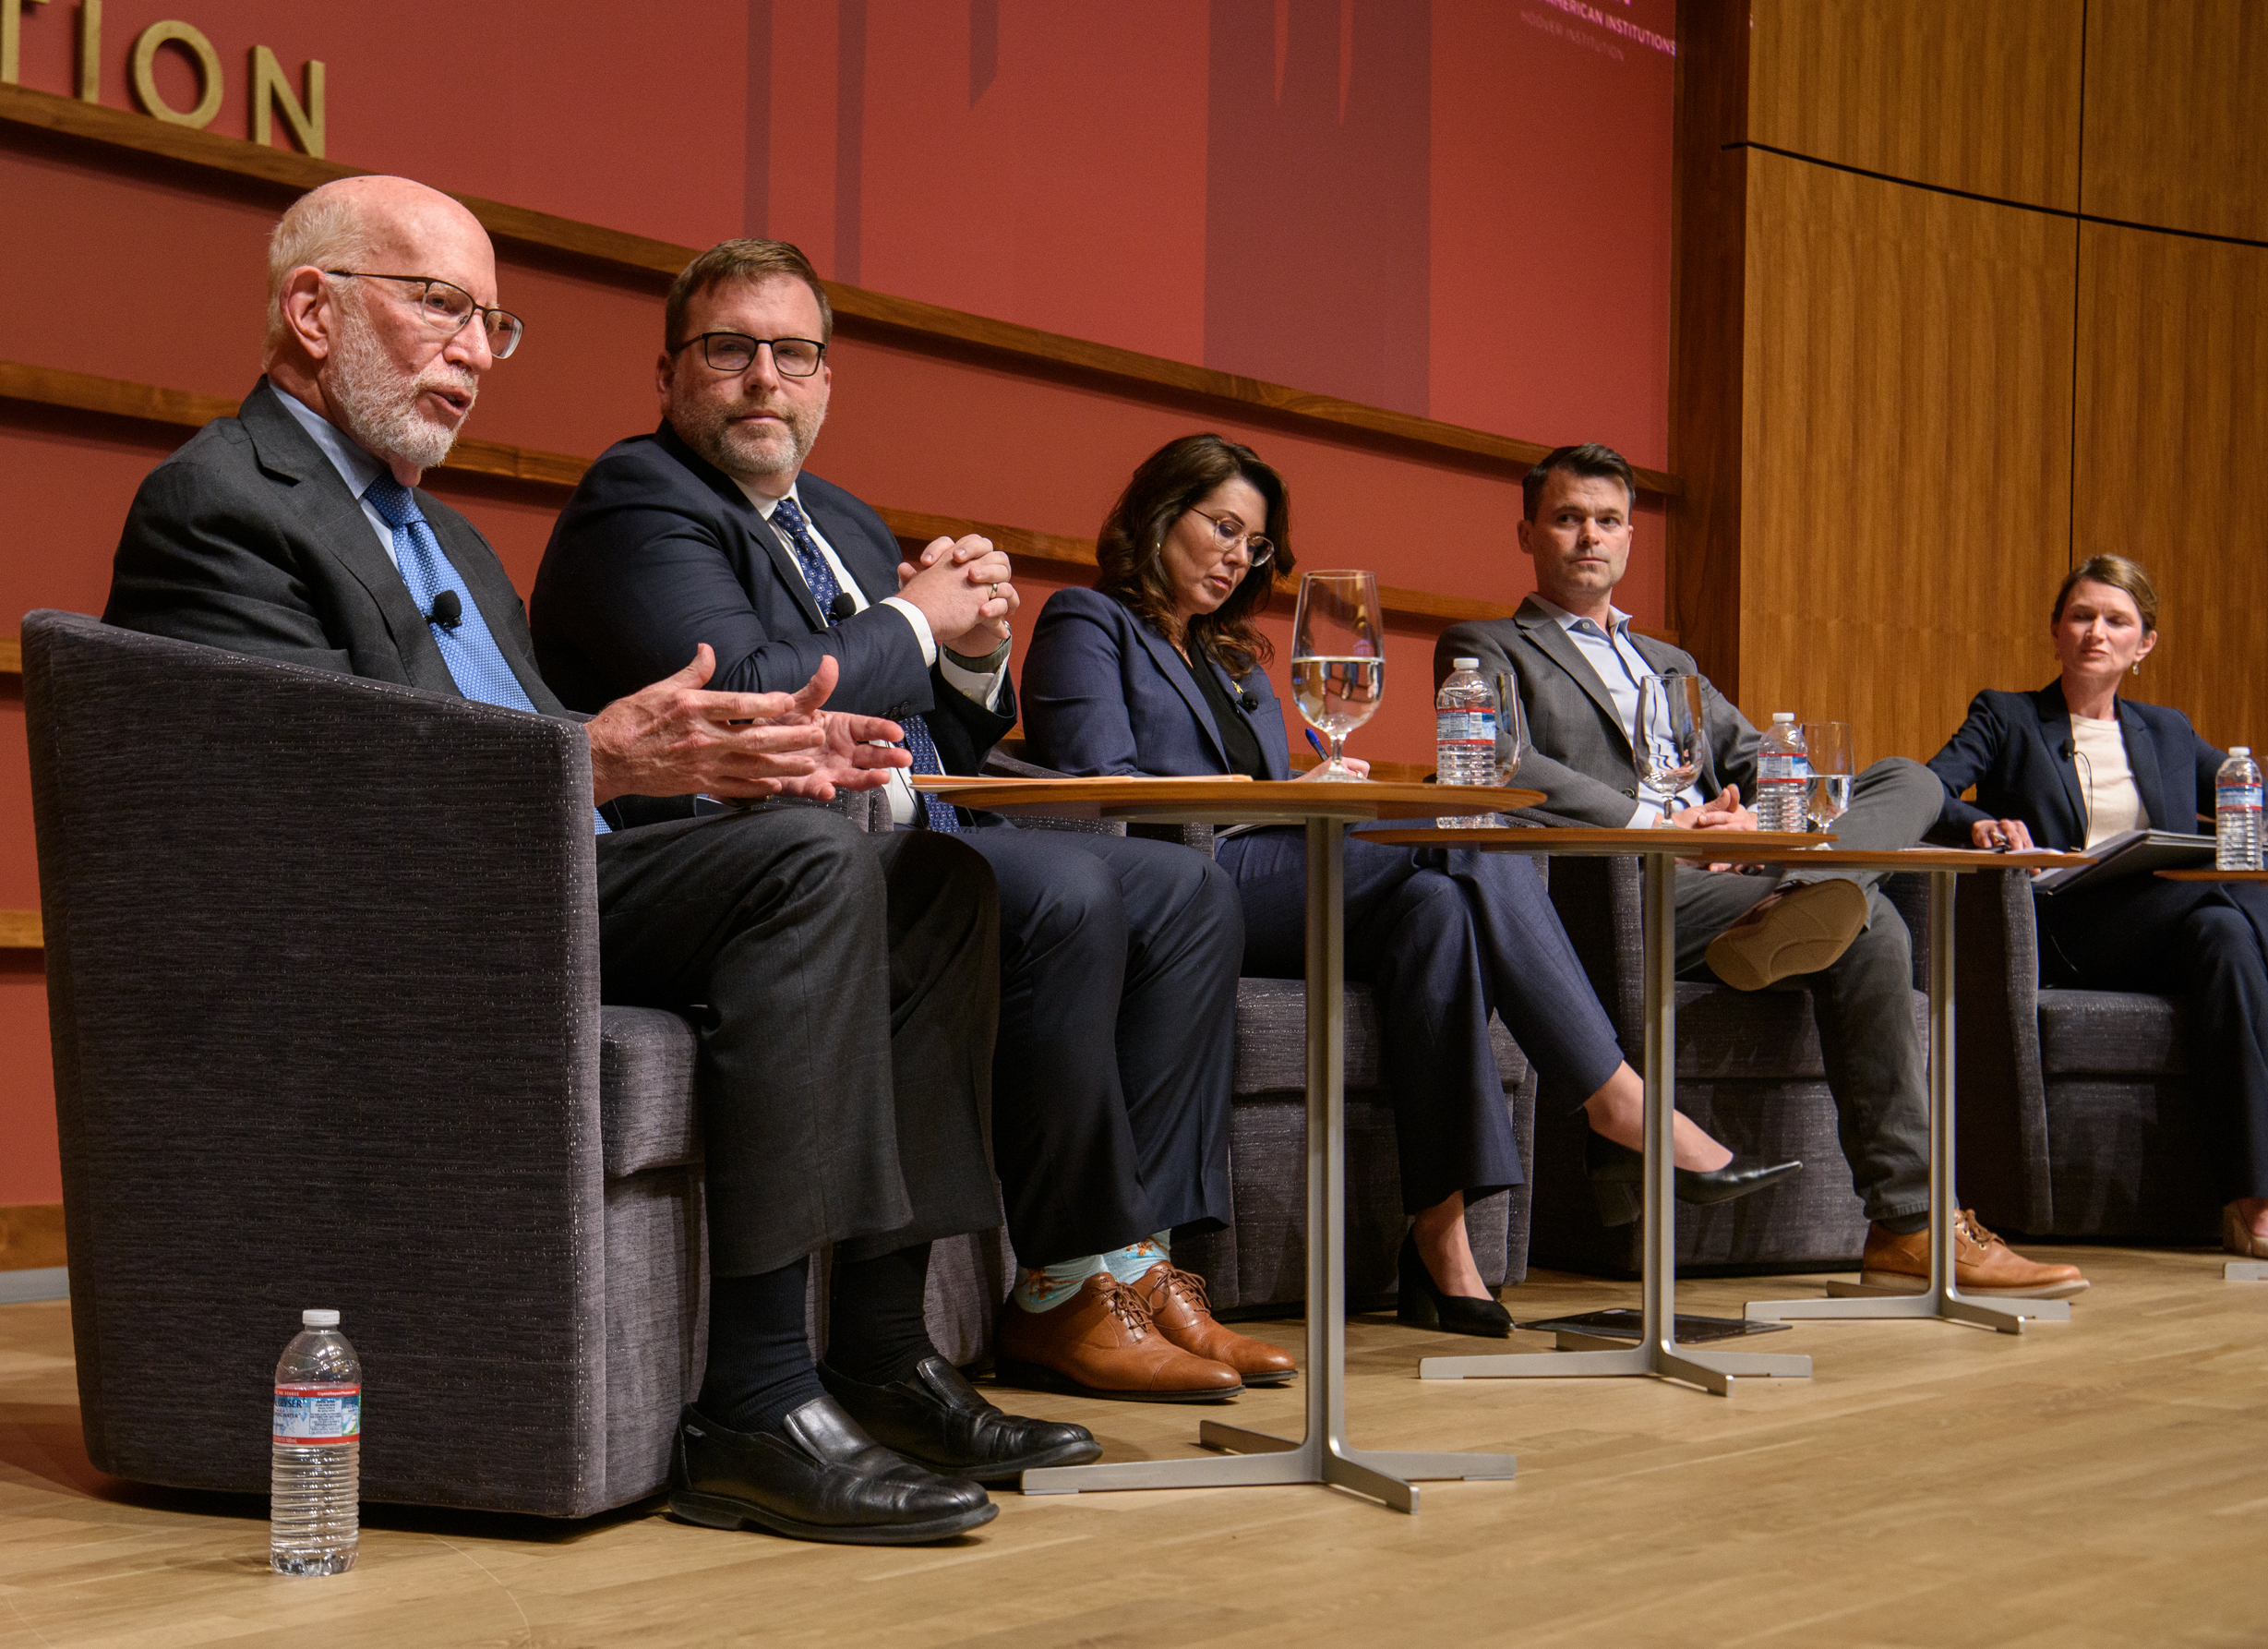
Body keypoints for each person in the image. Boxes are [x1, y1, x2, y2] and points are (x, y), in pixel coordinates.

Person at [101, 176, 1104, 1547]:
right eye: (440, 305)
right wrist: (605, 760)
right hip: (424, 916)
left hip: (542, 876)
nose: (472, 350)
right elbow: (313, 803)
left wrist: (696, 768)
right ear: (312, 310)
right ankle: (753, 1402)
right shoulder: (220, 503)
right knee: (810, 865)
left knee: (928, 880)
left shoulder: (443, 530)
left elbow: (540, 758)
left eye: (492, 323)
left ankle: (880, 1347)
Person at [529, 241, 1290, 1400]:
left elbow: (947, 726)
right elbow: (753, 689)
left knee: (1188, 893)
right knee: (1067, 890)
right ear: (670, 372)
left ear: (828, 378)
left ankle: (1146, 1259)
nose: (763, 380)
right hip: (746, 851)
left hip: (912, 817)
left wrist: (976, 657)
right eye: (730, 350)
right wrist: (916, 618)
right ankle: (1064, 1283)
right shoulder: (639, 500)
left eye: (794, 354)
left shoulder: (832, 511)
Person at [1021, 432, 1799, 1338]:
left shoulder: (1234, 663)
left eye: (1256, 544)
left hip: (1265, 873)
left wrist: (1302, 798)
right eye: (1223, 528)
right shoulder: (1087, 620)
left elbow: (1277, 801)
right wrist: (1282, 795)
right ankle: (1617, 1100)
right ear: (1160, 515)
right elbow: (1091, 783)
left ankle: (1441, 1242)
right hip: (1176, 882)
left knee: (1438, 909)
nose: (1238, 556)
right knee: (1469, 833)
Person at [1438, 440, 2089, 1299]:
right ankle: (1912, 1213)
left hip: (1724, 883)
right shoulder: (1487, 645)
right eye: (1566, 519)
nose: (1587, 538)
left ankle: (1904, 1226)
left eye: (1606, 521)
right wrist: (1666, 819)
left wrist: (1760, 815)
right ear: (1528, 533)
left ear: (1631, 537)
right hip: (1618, 889)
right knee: (1873, 920)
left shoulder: (1672, 666)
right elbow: (1495, 757)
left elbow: (1773, 762)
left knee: (1910, 784)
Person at [1927, 555, 2268, 1262]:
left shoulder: (2166, 731)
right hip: (2072, 929)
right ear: (2055, 632)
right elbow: (1926, 786)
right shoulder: (2007, 717)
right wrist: (1974, 824)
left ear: (2145, 644)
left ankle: (2255, 1206)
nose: (2096, 632)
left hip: (2169, 926)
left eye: (2116, 620)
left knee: (2228, 930)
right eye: (2081, 616)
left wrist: (2261, 837)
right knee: (2241, 888)